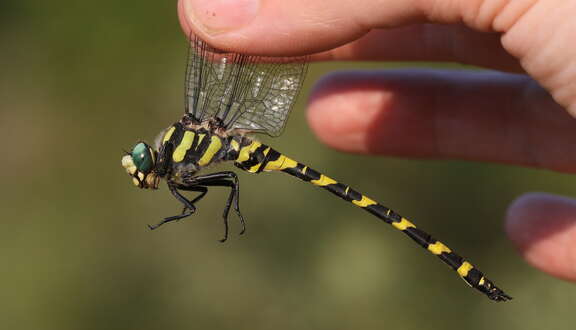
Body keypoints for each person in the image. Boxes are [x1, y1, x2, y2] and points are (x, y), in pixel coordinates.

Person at [178, 0, 576, 283]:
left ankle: (460, 265)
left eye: (142, 162)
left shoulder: (190, 142)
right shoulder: (186, 153)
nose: (143, 166)